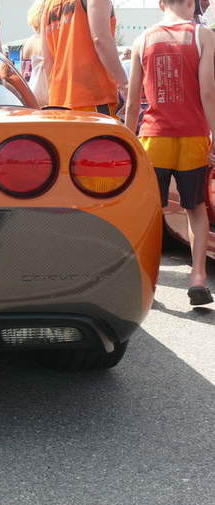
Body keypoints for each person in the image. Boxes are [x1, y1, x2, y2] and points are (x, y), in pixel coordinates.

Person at [125, 0, 214, 306]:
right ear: (191, 3)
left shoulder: (143, 39)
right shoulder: (202, 36)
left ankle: (146, 280)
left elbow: (132, 101)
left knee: (151, 212)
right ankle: (198, 276)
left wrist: (128, 139)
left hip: (154, 137)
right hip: (193, 137)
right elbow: (208, 92)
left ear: (161, 3)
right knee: (195, 208)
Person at [41, 0, 128, 118]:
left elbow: (47, 62)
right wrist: (124, 85)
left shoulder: (48, 5)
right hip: (93, 99)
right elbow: (101, 40)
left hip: (58, 104)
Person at [21, 0, 48, 106]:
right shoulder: (47, 41)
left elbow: (25, 75)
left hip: (30, 98)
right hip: (47, 99)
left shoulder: (27, 43)